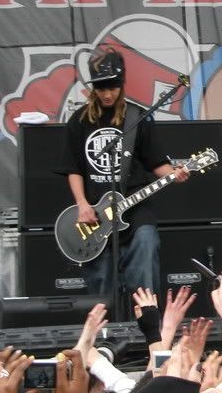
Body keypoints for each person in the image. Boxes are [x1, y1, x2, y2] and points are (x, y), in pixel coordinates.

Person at [57, 47, 188, 296]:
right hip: (96, 211)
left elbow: (156, 164)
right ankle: (105, 319)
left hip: (134, 206)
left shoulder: (136, 118)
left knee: (147, 243)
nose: (107, 94)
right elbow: (73, 168)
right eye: (101, 88)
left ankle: (147, 313)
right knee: (101, 280)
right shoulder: (80, 120)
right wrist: (82, 204)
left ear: (121, 85)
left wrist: (175, 173)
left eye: (113, 88)